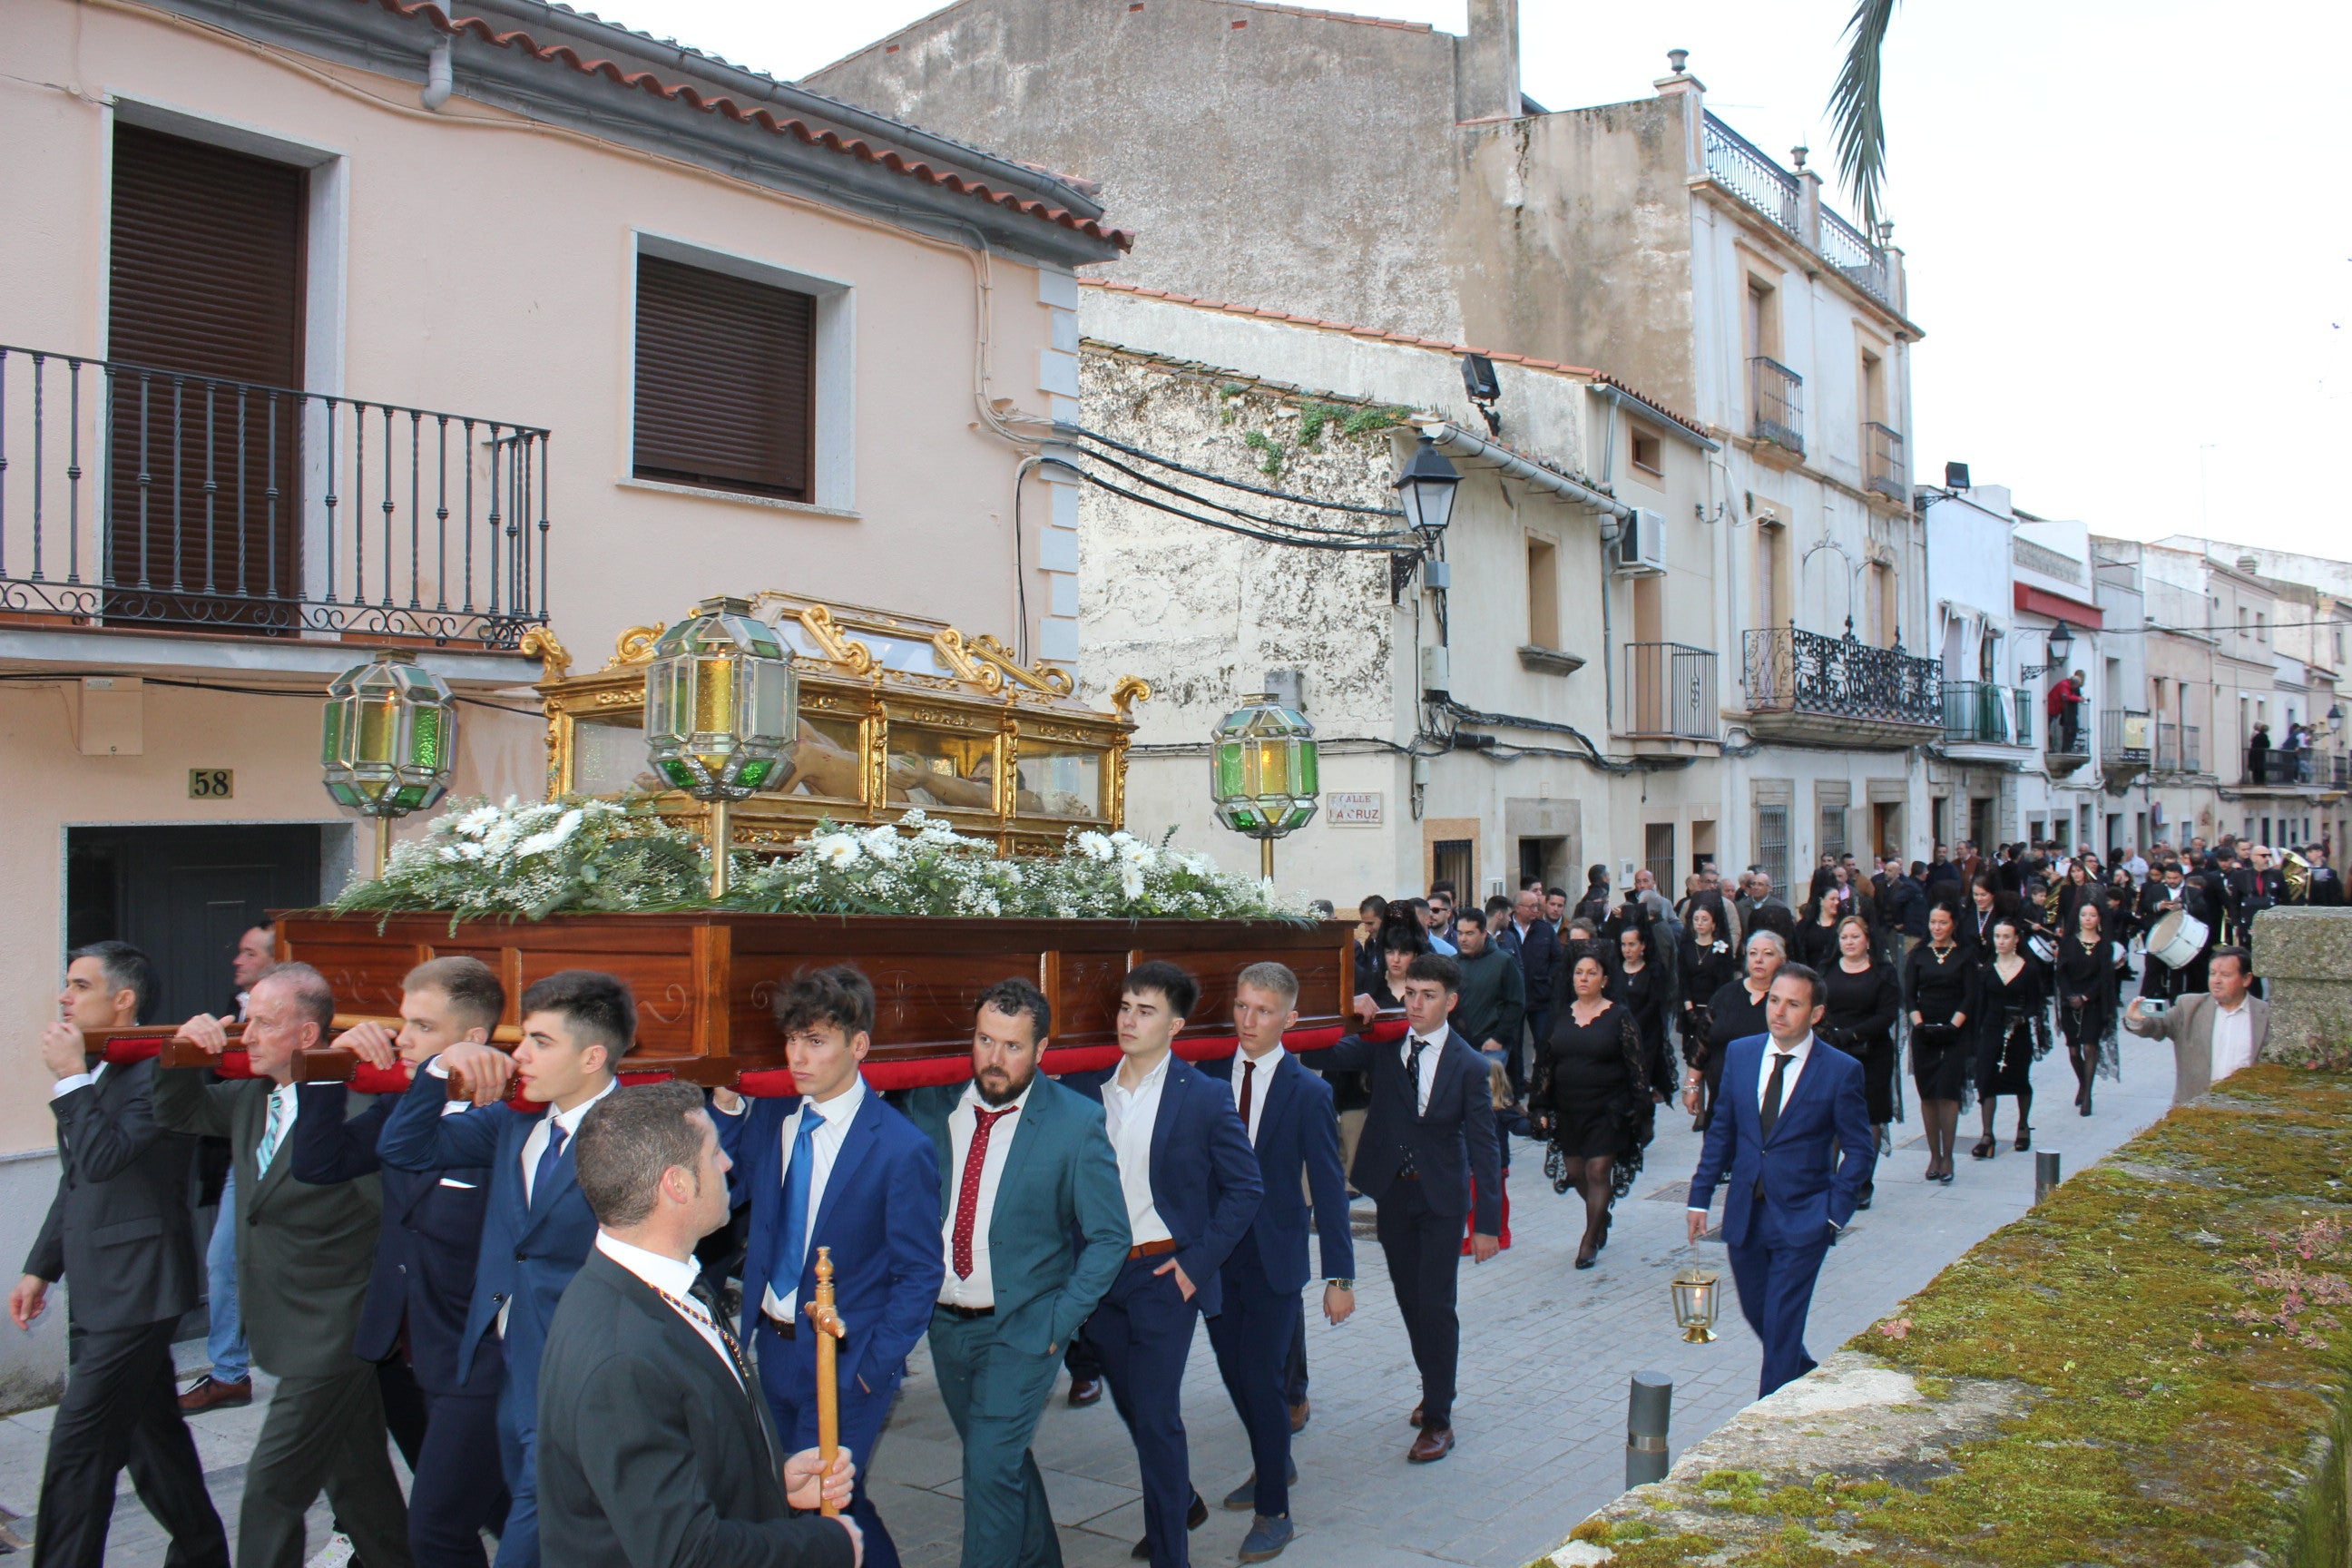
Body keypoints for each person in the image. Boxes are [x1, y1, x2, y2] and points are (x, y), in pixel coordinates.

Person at [535, 1082, 862, 1568]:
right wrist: (827, 1546)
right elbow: (686, 1554)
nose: (728, 1164)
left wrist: (771, 1485)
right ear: (677, 1185)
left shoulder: (660, 1282)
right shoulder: (621, 1357)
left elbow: (686, 1446)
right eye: (714, 1154)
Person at [155, 962, 413, 1568]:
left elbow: (392, 1227)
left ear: (305, 1037)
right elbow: (178, 1111)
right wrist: (184, 1050)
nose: (246, 1036)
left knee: (271, 1491)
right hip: (285, 1326)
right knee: (360, 1485)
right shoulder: (253, 1098)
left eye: (263, 1024)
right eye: (247, 1021)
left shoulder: (354, 1111)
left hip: (334, 1335)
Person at [376, 969, 635, 1568]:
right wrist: (441, 1070)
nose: (519, 1054)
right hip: (504, 1363)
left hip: (580, 1369)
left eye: (541, 1042)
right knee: (556, 1534)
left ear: (592, 1055)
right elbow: (404, 1148)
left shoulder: (635, 1130)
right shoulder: (511, 1123)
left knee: (520, 1533)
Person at [708, 966, 945, 1568]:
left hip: (846, 1359)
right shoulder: (772, 1120)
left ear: (858, 1046)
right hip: (772, 1347)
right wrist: (728, 1107)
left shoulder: (898, 1146)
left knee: (818, 1505)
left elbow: (919, 1273)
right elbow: (718, 1194)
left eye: (815, 1041)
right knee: (820, 1498)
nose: (797, 1056)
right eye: (792, 1040)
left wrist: (871, 1370)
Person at [13, 942, 228, 1568]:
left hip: (140, 1289)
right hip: (99, 1281)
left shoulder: (161, 1068)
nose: (64, 997)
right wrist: (40, 1266)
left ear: (123, 999)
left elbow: (107, 1157)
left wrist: (70, 1078)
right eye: (67, 985)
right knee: (150, 1438)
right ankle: (203, 1553)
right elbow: (77, 1178)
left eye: (80, 986)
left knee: (79, 1450)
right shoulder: (102, 1067)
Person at [291, 957, 509, 1568]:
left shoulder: (507, 1126)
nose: (402, 1040)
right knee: (482, 1515)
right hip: (399, 1352)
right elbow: (319, 1163)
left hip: (473, 1360)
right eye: (402, 1023)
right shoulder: (401, 1105)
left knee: (438, 1528)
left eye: (421, 1026)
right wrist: (330, 1070)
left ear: (471, 1042)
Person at [907, 979, 1129, 1568]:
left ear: (1042, 1050)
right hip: (948, 1328)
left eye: (1012, 1046)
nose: (995, 1059)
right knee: (1000, 1464)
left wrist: (1059, 1320)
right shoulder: (932, 1107)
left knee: (986, 1468)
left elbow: (1111, 1238)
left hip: (1026, 1328)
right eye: (985, 1040)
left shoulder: (1075, 1122)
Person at [1064, 964, 1262, 1568]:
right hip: (1100, 1281)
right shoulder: (1087, 1090)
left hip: (1161, 1278)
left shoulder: (1202, 1096)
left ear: (1175, 1025)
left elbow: (1245, 1187)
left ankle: (1171, 1553)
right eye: (1124, 1007)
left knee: (1155, 1418)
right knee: (1135, 1409)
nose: (1128, 1019)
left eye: (1145, 1011)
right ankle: (1179, 1502)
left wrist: (1192, 1267)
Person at [1295, 954, 1500, 1464]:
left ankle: (1439, 1417)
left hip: (1441, 1200)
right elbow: (1329, 1053)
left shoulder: (1471, 1065)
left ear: (1450, 1002)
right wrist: (1345, 1008)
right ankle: (1434, 1386)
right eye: (1409, 993)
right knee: (1410, 1301)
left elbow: (1485, 1148)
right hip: (1394, 1193)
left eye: (1427, 995)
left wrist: (1488, 1225)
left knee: (1436, 1304)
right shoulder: (1386, 1046)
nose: (1415, 1004)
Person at [1198, 963, 1353, 1563]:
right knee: (1234, 1373)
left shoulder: (1308, 1092)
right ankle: (1274, 1461)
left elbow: (1330, 1188)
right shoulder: (1209, 1079)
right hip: (1214, 1257)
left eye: (1262, 1010)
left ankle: (1275, 1510)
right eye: (1241, 1006)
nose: (1248, 1020)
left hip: (1273, 1260)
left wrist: (1340, 1276)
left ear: (1289, 1018)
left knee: (1262, 1377)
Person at [1686, 965, 1875, 1398]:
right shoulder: (1741, 1054)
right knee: (1761, 1316)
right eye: (1774, 1000)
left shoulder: (1840, 1070)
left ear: (1816, 1013)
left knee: (1782, 1322)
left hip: (1805, 1218)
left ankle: (1763, 1421)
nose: (1779, 1011)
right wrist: (1700, 1198)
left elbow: (1860, 1149)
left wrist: (1834, 1213)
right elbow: (1722, 1132)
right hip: (1746, 1216)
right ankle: (1808, 1375)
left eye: (1793, 1004)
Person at [181, 921, 276, 1416]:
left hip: (293, 1155)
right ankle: (228, 1373)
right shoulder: (227, 1006)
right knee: (223, 1263)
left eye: (249, 953)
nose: (237, 961)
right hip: (245, 1157)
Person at [1531, 954, 1650, 1270]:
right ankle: (1602, 1215)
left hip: (1607, 1108)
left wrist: (1641, 1108)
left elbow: (1636, 1065)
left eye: (1591, 973)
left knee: (1598, 1171)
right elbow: (1545, 1064)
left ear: (1605, 980)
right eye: (1578, 973)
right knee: (1575, 1172)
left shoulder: (1619, 1016)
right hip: (1569, 1108)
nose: (1583, 978)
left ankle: (1588, 1240)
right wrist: (1539, 1105)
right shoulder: (1559, 1017)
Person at [1817, 916, 1899, 1207]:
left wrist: (1851, 1034)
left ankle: (1862, 1181)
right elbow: (1816, 1006)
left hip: (1872, 1053)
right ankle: (1830, 1178)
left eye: (1855, 937)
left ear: (1867, 940)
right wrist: (1829, 1034)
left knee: (1869, 1118)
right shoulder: (1827, 970)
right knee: (1833, 1116)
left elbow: (1887, 1015)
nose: (1849, 943)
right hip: (1833, 1052)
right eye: (1844, 938)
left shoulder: (1884, 972)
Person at [2123, 947, 2271, 1102]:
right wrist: (2136, 1020)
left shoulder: (2265, 1015)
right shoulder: (2189, 1007)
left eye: (2226, 975)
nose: (2216, 980)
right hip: (2196, 1108)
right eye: (2213, 973)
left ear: (2246, 979)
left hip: (2246, 1108)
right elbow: (2159, 1025)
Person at [1903, 906, 1977, 1185]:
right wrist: (1919, 1024)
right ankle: (1934, 1154)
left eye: (1942, 922)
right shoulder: (1919, 955)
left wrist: (1952, 1026)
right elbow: (1909, 995)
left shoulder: (1965, 955)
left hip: (1954, 1032)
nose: (1937, 927)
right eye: (1933, 922)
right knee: (1928, 1093)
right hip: (1924, 1032)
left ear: (1953, 924)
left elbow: (1970, 995)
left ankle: (1949, 1156)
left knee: (1947, 1091)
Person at [1685, 931, 1784, 1133]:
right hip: (1722, 1098)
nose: (1759, 959)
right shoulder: (1726, 994)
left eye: (1767, 954)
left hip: (1768, 1104)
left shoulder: (1785, 999)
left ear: (1782, 960)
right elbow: (1702, 1042)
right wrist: (1692, 1085)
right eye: (1753, 953)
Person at [1969, 919, 2046, 1159]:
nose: (2001, 941)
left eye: (2006, 936)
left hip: (2018, 1031)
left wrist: (2022, 1017)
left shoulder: (2029, 968)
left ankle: (2023, 1126)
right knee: (1986, 1079)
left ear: (2016, 940)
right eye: (1997, 936)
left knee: (2019, 1079)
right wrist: (1975, 1037)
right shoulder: (1987, 970)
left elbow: (2036, 1002)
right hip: (1991, 1029)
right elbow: (1980, 1005)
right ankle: (1987, 1135)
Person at [2053, 902, 2125, 1118]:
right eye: (2084, 914)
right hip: (2070, 1000)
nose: (2088, 918)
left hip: (2093, 1002)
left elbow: (2105, 977)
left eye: (2092, 915)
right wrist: (2070, 996)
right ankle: (2083, 1083)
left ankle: (2088, 1096)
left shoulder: (2105, 946)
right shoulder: (2068, 943)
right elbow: (2061, 973)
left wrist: (2085, 997)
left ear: (2099, 919)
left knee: (2090, 1048)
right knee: (2074, 1051)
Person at [1494, 888, 1558, 1101]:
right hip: (1514, 998)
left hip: (1540, 996)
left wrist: (1548, 982)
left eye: (1536, 906)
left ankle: (1543, 1086)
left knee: (1543, 1042)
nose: (1535, 910)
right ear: (1517, 908)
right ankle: (1518, 1090)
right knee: (1515, 1045)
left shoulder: (1545, 930)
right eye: (1531, 906)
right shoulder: (1506, 931)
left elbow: (1557, 960)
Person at [1447, 912, 1525, 1075]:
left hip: (1491, 1046)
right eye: (1460, 933)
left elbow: (1516, 1003)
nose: (1463, 939)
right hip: (1459, 1045)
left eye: (1469, 933)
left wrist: (1499, 1038)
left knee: (1487, 1096)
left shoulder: (1503, 962)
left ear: (1483, 933)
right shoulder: (1452, 964)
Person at [1610, 923, 1673, 1102]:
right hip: (1620, 1036)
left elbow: (1654, 1003)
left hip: (1646, 1036)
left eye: (1632, 944)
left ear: (1643, 945)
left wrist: (1633, 1025)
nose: (1627, 950)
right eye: (1624, 945)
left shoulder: (1653, 970)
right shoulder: (1616, 971)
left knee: (1640, 1083)